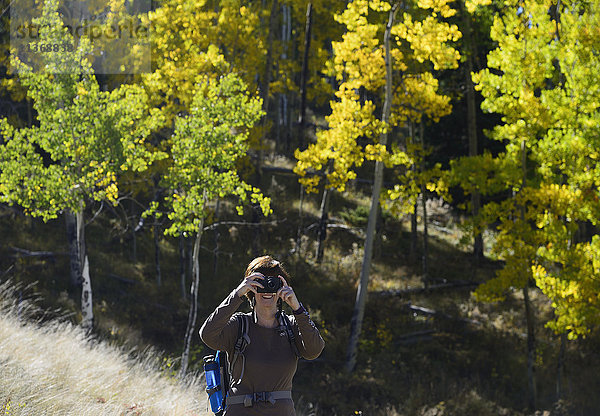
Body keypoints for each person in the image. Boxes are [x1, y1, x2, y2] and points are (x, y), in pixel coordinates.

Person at [199, 255, 325, 416]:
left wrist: (297, 308)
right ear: (251, 288)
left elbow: (314, 350)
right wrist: (237, 294)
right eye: (261, 283)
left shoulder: (292, 325)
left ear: (282, 287)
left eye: (273, 283)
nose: (267, 290)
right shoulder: (239, 324)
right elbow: (207, 334)